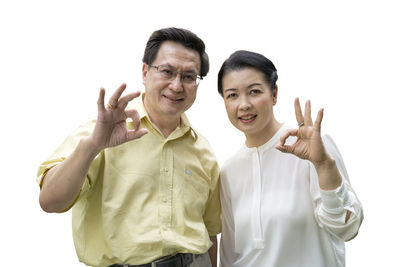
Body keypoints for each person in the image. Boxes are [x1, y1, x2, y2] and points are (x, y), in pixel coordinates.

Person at [37, 27, 221, 267]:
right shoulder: (101, 132)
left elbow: (209, 232)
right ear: (145, 72)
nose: (177, 86)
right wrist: (93, 146)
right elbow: (50, 202)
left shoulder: (204, 151)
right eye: (167, 71)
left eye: (188, 77)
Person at [217, 50, 363, 267]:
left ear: (274, 94)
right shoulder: (229, 171)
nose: (244, 104)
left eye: (254, 91)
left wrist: (322, 165)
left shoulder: (311, 149)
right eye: (232, 95)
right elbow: (229, 255)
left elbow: (346, 228)